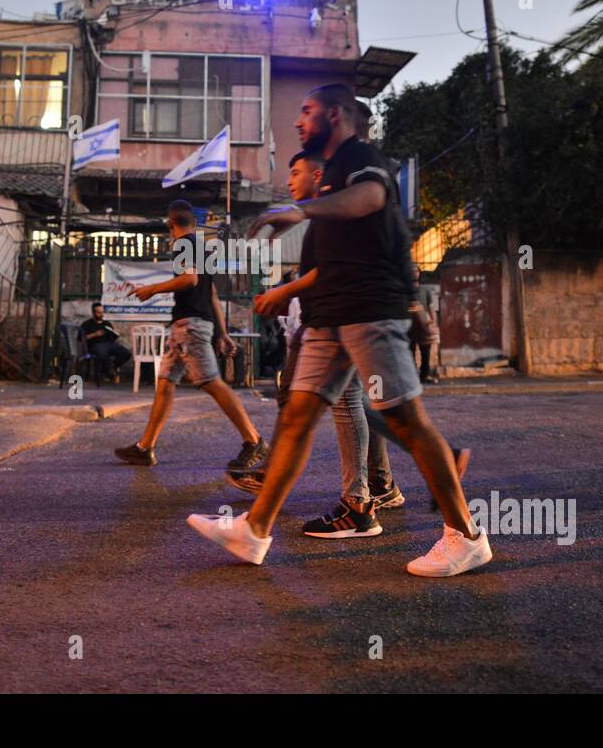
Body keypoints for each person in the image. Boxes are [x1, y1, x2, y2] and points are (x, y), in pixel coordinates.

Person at [187, 84, 492, 577]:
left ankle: (465, 537)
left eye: (306, 111)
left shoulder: (362, 158)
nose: (297, 121)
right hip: (328, 316)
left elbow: (370, 197)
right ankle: (253, 530)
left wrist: (302, 211)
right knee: (296, 417)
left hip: (369, 309)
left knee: (406, 419)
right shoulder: (329, 172)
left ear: (336, 114)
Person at [235, 150, 403, 539]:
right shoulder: (327, 213)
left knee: (330, 410)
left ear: (318, 173)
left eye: (296, 172)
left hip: (344, 318)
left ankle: (360, 504)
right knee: (322, 409)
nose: (290, 180)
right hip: (332, 319)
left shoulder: (341, 206)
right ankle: (259, 525)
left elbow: (336, 268)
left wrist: (284, 290)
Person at [113, 200, 269, 470]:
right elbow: (211, 293)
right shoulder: (203, 248)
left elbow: (190, 280)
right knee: (165, 383)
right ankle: (145, 447)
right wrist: (222, 333)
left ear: (170, 224)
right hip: (190, 326)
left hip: (191, 327)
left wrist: (152, 289)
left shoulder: (183, 245)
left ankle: (253, 440)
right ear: (194, 223)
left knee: (211, 382)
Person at [81, 302, 131, 382]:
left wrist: (115, 334)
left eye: (102, 312)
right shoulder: (87, 324)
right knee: (103, 355)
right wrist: (95, 334)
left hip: (109, 344)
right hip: (95, 345)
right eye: (99, 313)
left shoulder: (106, 324)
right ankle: (107, 373)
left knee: (126, 353)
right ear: (93, 313)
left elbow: (112, 337)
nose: (101, 314)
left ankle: (112, 367)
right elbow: (81, 338)